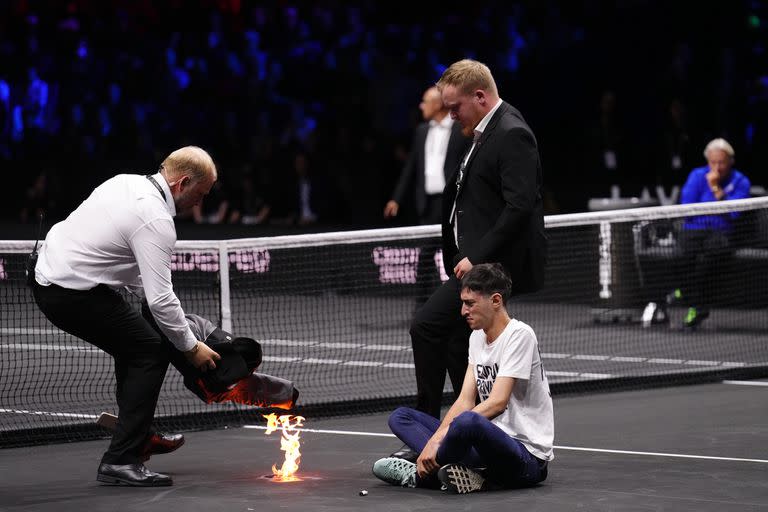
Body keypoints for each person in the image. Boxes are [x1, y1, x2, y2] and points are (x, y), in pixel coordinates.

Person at [31, 146, 221, 487]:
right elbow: (161, 300)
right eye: (200, 194)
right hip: (67, 290)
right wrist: (192, 348)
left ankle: (139, 436)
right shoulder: (156, 219)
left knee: (136, 345)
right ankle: (121, 460)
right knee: (148, 352)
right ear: (183, 183)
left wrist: (169, 323)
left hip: (54, 274)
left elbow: (138, 281)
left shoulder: (126, 182)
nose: (200, 202)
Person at [408, 59, 547, 423]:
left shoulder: (512, 132)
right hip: (472, 263)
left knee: (425, 325)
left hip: (491, 267)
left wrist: (476, 257)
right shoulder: (479, 132)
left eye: (455, 107)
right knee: (458, 341)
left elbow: (519, 208)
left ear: (481, 97)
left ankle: (426, 427)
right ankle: (467, 427)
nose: (450, 115)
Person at [372, 263, 554, 494]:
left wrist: (439, 440)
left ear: (496, 301)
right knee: (401, 417)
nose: (463, 311)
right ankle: (463, 472)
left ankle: (421, 476)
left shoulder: (520, 335)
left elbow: (498, 402)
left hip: (525, 459)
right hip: (486, 449)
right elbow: (465, 400)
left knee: (467, 422)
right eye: (462, 303)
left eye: (470, 303)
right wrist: (434, 440)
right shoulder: (477, 337)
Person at [670, 138, 751, 327]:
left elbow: (734, 213)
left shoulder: (741, 181)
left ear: (731, 161)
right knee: (678, 256)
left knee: (710, 258)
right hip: (694, 229)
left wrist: (716, 189)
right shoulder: (697, 175)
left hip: (721, 231)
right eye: (713, 162)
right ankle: (692, 298)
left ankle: (693, 303)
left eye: (721, 162)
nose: (717, 167)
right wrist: (716, 209)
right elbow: (687, 206)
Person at [383, 86, 470, 225]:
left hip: (453, 201)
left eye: (425, 101)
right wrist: (396, 199)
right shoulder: (421, 131)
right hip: (427, 204)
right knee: (427, 245)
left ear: (437, 104)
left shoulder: (461, 129)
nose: (421, 106)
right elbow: (410, 167)